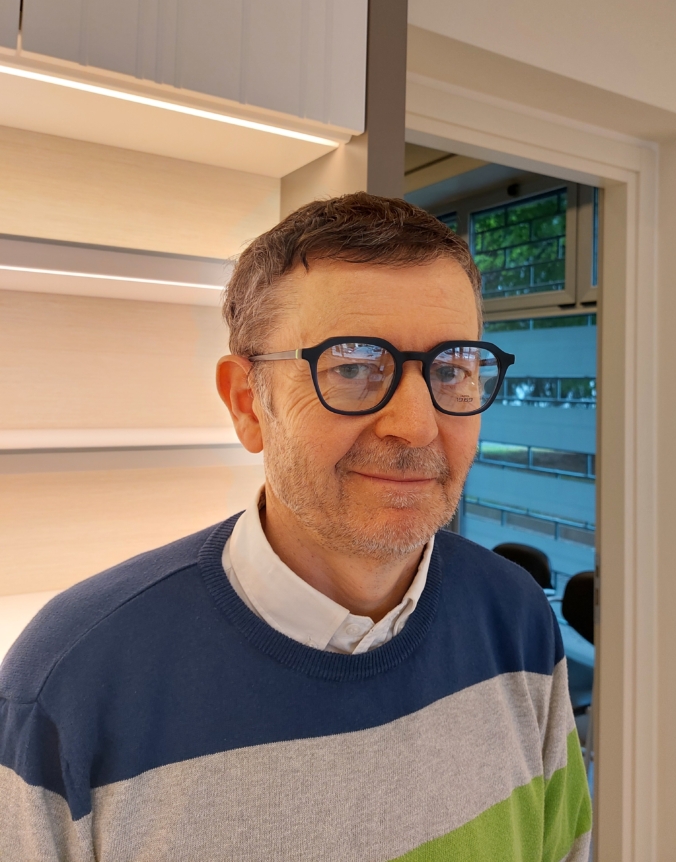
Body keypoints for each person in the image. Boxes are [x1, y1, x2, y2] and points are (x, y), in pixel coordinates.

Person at [0, 193, 591, 861]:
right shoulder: (70, 680)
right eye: (353, 367)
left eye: (452, 369)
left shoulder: (516, 616)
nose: (416, 426)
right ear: (247, 403)